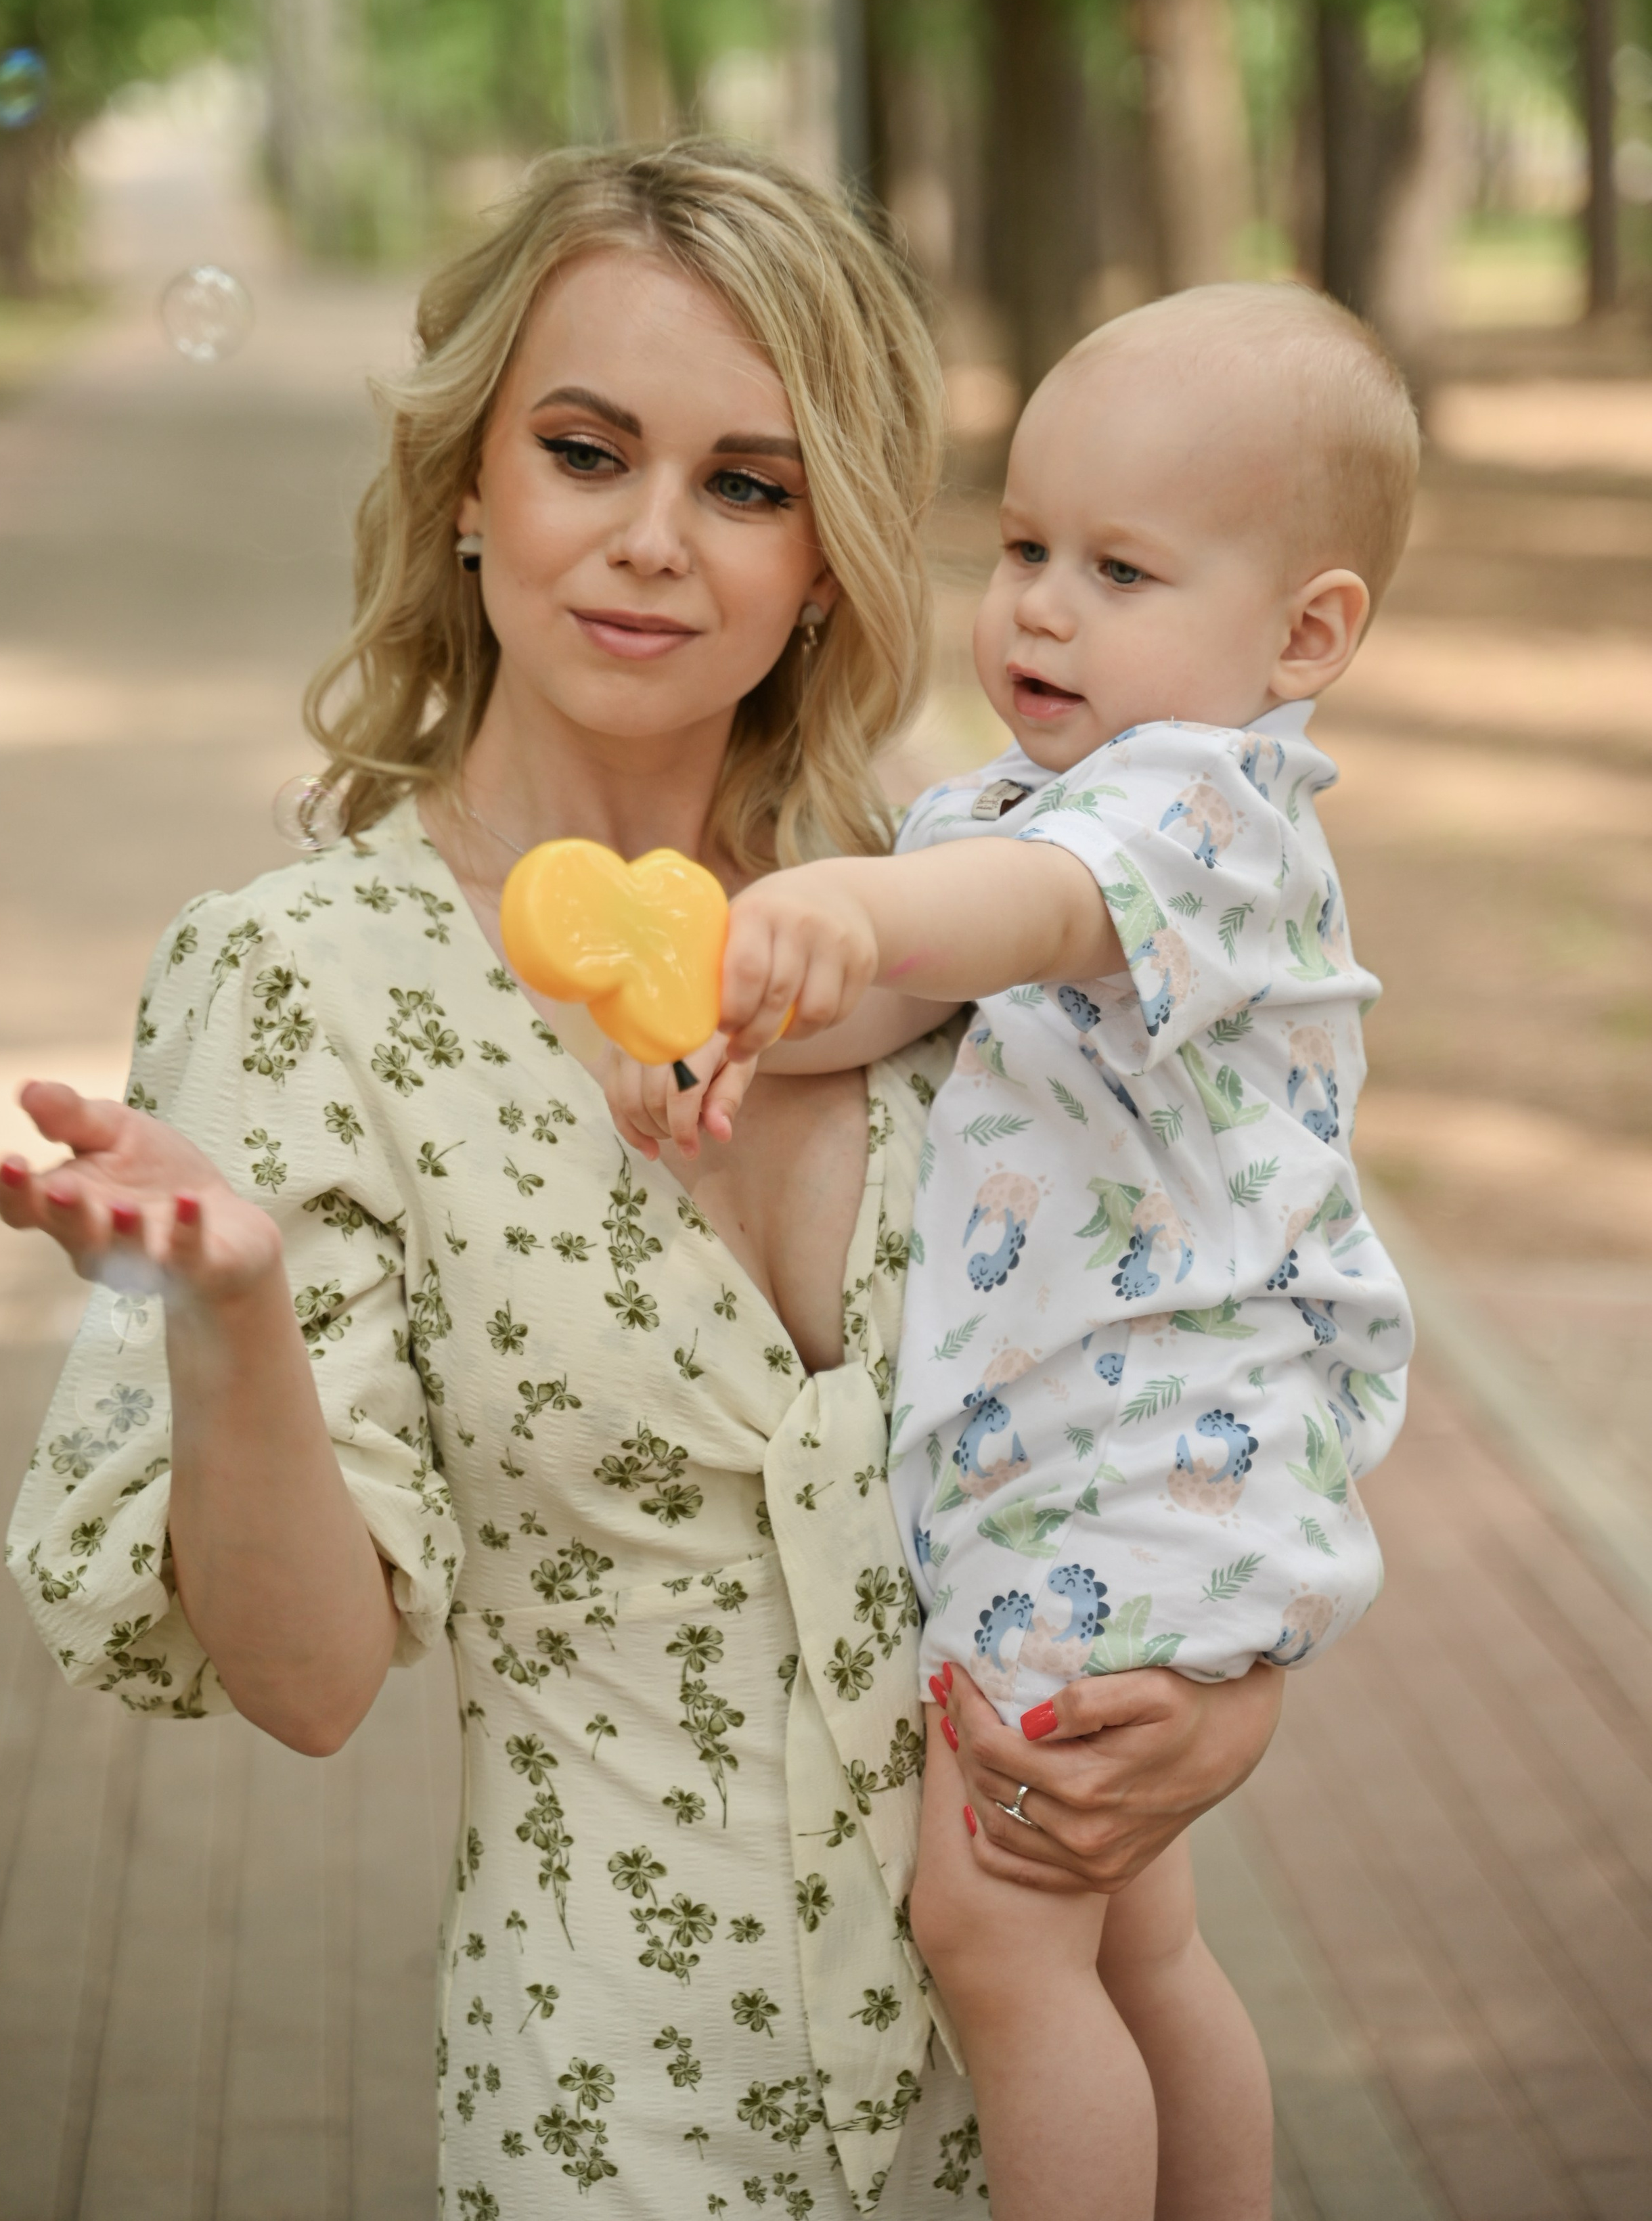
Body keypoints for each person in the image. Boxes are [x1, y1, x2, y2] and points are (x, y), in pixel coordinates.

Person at [0, 145, 1288, 2220]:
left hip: (1059, 2112)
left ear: (829, 558)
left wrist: (1238, 1694)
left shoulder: (959, 924)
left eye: (749, 485)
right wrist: (236, 1319)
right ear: (467, 483)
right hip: (634, 2129)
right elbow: (311, 1682)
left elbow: (1219, 1344)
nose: (652, 544)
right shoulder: (302, 985)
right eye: (584, 450)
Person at [603, 280, 1419, 2220]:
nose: (1041, 606)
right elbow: (899, 1001)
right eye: (1026, 545)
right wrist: (735, 1026)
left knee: (995, 1921)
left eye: (1122, 567)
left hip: (1143, 1475)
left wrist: (844, 905)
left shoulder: (1212, 817)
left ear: (1304, 634)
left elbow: (1012, 921)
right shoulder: (1014, 803)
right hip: (1081, 1478)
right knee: (1135, 1944)